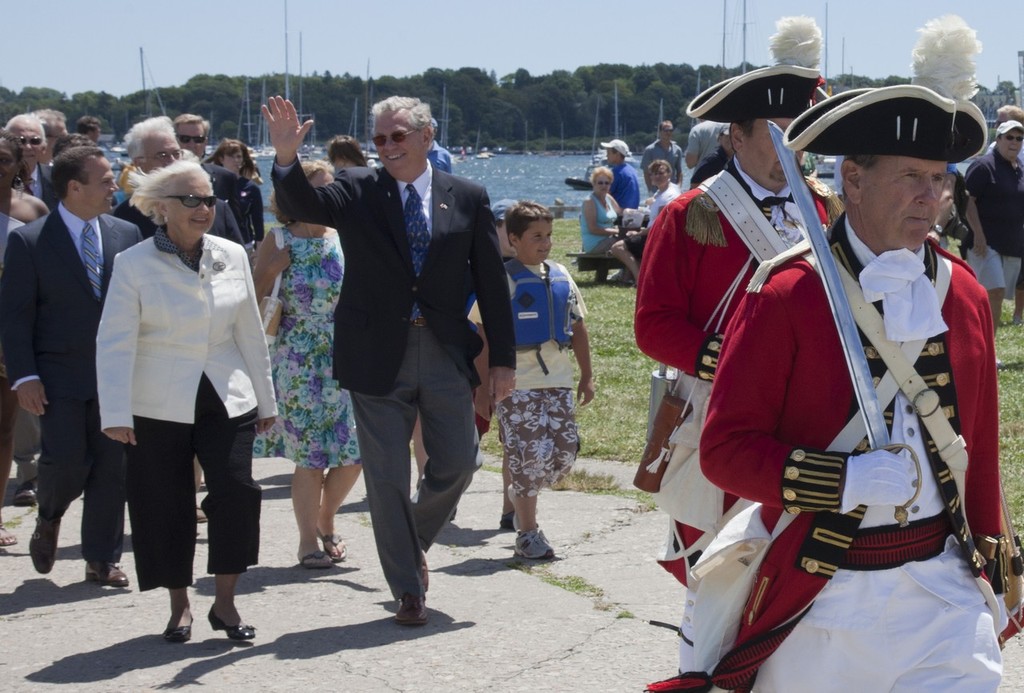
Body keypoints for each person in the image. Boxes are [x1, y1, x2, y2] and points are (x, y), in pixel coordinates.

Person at [695, 19, 1004, 689]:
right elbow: (724, 450)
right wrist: (842, 482)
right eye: (911, 178)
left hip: (943, 598)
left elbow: (977, 449)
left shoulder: (964, 295)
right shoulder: (786, 293)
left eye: (939, 178)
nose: (932, 197)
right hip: (824, 600)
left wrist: (996, 562)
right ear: (854, 181)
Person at [635, 15, 838, 678]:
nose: (789, 147)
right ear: (735, 136)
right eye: (774, 133)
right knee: (721, 567)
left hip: (808, 417)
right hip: (721, 412)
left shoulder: (825, 208)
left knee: (794, 564)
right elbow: (653, 324)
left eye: (796, 133)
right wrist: (733, 357)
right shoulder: (691, 211)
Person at [263, 94, 515, 626]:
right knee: (385, 474)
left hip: (445, 349)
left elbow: (492, 284)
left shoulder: (467, 195)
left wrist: (502, 363)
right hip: (376, 351)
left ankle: (409, 539)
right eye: (379, 139)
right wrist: (286, 159)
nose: (386, 147)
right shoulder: (357, 189)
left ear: (427, 136)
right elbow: (307, 205)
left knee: (459, 462)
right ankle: (407, 589)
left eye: (397, 136)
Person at [96, 159, 276, 643]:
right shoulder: (132, 264)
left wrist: (266, 399)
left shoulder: (232, 253)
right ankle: (179, 605)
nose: (204, 209)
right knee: (164, 503)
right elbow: (114, 341)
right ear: (160, 208)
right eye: (191, 200)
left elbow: (250, 332)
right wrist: (114, 414)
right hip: (156, 400)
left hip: (226, 391)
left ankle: (225, 603)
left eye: (210, 200)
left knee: (237, 491)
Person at [0, 145, 142, 585]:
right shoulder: (29, 240)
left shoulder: (125, 235)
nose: (112, 186)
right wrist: (24, 376)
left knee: (110, 466)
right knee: (65, 460)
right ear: (74, 188)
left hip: (116, 375)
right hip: (57, 375)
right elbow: (16, 316)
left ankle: (102, 559)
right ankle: (49, 514)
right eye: (103, 180)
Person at [252, 160, 362, 569]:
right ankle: (306, 542)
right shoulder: (278, 237)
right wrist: (271, 269)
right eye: (318, 190)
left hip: (343, 351)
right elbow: (253, 293)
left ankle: (326, 517)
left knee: (355, 453)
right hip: (297, 356)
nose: (327, 198)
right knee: (311, 455)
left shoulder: (341, 236)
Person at [498, 201, 593, 559]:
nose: (546, 243)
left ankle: (520, 493)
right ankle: (527, 533)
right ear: (514, 239)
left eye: (549, 235)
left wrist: (587, 376)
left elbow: (579, 327)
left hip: (559, 381)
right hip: (516, 383)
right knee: (527, 458)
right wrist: (482, 386)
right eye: (536, 236)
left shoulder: (561, 275)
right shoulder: (501, 279)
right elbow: (481, 333)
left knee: (563, 454)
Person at [0, 131, 48, 546]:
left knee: (5, 428)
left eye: (2, 160)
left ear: (18, 164)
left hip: (14, 333)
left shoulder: (33, 210)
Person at [115, 117, 243, 245]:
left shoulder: (215, 208)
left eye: (176, 153)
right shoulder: (125, 218)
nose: (173, 161)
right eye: (162, 155)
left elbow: (238, 259)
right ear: (139, 163)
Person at [964, 119, 1024, 340]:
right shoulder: (983, 165)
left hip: (1012, 244)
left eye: (1019, 138)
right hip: (985, 244)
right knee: (994, 291)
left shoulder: (1019, 169)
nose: (1014, 142)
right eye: (1009, 137)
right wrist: (978, 233)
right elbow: (968, 201)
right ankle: (983, 346)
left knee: (997, 297)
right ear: (998, 139)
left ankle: (987, 346)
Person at [609, 160, 681, 284]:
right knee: (628, 239)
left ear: (669, 174)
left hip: (658, 238)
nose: (656, 176)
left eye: (660, 173)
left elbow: (659, 225)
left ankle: (639, 279)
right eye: (653, 173)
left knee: (617, 247)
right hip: (654, 234)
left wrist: (639, 233)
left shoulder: (668, 196)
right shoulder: (662, 191)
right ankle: (629, 277)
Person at [173, 114, 244, 227]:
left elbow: (235, 223)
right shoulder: (163, 180)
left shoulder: (225, 177)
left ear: (205, 142)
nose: (192, 145)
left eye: (198, 139)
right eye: (185, 139)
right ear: (174, 140)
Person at [206, 138, 266, 246]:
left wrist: (259, 246)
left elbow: (258, 220)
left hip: (244, 242)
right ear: (221, 159)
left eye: (238, 156)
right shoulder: (211, 185)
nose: (235, 160)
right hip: (216, 241)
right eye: (231, 156)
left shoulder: (251, 188)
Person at [5, 114, 56, 209]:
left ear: (44, 147)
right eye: (20, 140)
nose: (28, 147)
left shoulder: (58, 179)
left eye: (35, 141)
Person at [579, 166, 621, 254]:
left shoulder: (608, 198)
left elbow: (620, 212)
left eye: (607, 183)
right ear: (593, 184)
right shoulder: (589, 202)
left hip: (609, 239)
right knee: (626, 243)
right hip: (594, 244)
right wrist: (617, 231)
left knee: (634, 241)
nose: (604, 185)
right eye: (600, 183)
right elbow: (593, 229)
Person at [640, 121, 684, 191]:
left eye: (670, 130)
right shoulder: (650, 150)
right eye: (666, 130)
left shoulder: (677, 150)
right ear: (660, 132)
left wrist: (678, 186)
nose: (668, 132)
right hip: (656, 190)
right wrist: (650, 190)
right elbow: (646, 172)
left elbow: (679, 171)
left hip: (672, 190)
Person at [689, 124, 734, 188]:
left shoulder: (736, 159)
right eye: (727, 136)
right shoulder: (713, 160)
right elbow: (694, 183)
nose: (730, 139)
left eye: (732, 136)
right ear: (719, 139)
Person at [600, 139, 640, 209]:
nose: (606, 155)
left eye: (609, 153)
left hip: (620, 213)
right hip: (632, 210)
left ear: (617, 154)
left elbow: (605, 194)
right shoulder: (631, 170)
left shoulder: (616, 172)